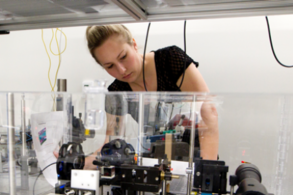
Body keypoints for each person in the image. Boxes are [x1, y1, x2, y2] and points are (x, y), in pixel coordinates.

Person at [83, 24, 218, 170]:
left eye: (123, 57)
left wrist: (206, 170)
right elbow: (112, 143)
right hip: (154, 165)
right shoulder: (117, 91)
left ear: (134, 44)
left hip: (196, 157)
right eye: (110, 66)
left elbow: (208, 113)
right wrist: (79, 162)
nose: (121, 70)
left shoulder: (171, 60)